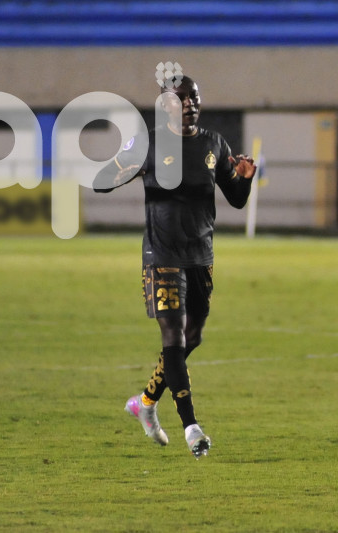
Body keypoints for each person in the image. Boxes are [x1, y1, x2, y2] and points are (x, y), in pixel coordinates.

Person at [93, 75, 256, 458]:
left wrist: (245, 180)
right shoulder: (148, 141)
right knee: (175, 338)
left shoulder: (214, 144)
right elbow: (102, 180)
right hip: (162, 255)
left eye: (194, 98)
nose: (189, 105)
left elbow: (235, 198)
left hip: (200, 255)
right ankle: (191, 427)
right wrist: (124, 168)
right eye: (181, 99)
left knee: (193, 336)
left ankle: (147, 402)